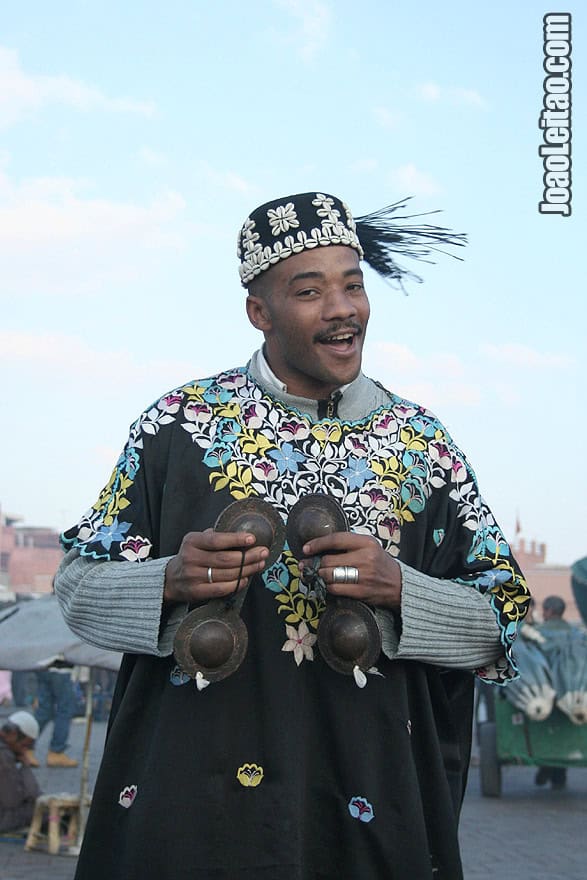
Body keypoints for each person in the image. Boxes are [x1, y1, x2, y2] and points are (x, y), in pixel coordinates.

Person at [55, 191, 529, 879]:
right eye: (309, 291)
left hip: (368, 799)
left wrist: (403, 593)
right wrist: (166, 582)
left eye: (352, 285)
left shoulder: (424, 445)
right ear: (259, 312)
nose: (341, 309)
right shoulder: (177, 425)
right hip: (193, 802)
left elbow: (503, 618)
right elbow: (76, 587)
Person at [534, 595, 570, 790]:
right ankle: (559, 772)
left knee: (542, 730)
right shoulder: (576, 634)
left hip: (542, 693)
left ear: (548, 611)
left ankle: (546, 764)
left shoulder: (536, 634)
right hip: (571, 695)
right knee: (563, 732)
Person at [32, 660, 79, 768]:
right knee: (64, 710)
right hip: (60, 667)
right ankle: (56, 751)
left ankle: (24, 746)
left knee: (44, 710)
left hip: (44, 664)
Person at [0, 711, 41, 832]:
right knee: (42, 811)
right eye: (24, 745)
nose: (25, 750)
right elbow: (12, 801)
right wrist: (25, 766)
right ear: (12, 734)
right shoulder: (4, 755)